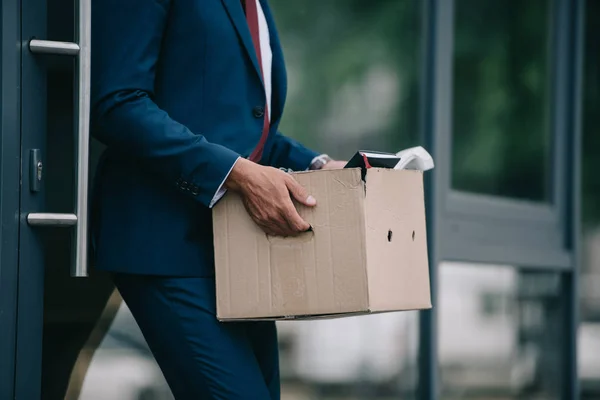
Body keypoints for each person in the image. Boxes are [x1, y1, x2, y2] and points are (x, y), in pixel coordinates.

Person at [90, 0, 345, 398]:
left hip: (239, 250)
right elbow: (117, 104)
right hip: (166, 242)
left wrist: (318, 163)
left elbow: (240, 129)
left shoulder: (256, 6)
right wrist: (237, 174)